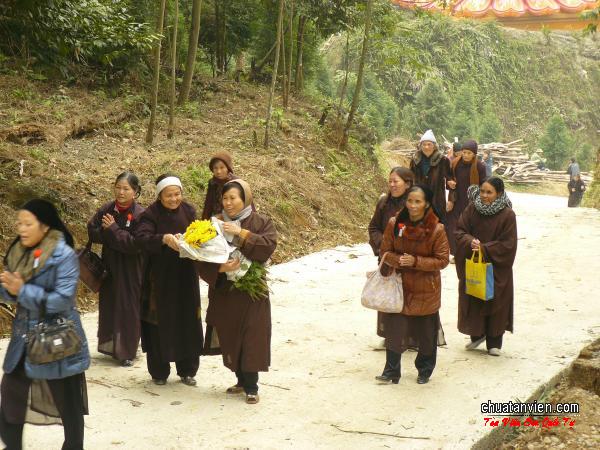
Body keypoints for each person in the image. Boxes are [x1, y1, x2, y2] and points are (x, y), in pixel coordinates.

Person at [0, 199, 90, 450]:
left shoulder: (64, 255)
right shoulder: (19, 252)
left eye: (28, 224)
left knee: (69, 405)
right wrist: (8, 288)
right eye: (19, 223)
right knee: (10, 397)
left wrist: (22, 290)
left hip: (57, 339)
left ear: (45, 226)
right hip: (24, 338)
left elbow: (62, 299)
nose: (22, 229)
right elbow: (12, 293)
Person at [196, 180, 277, 404]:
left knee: (252, 336)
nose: (228, 203)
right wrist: (219, 269)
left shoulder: (260, 222)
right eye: (225, 198)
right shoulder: (214, 224)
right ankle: (240, 380)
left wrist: (242, 233)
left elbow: (268, 246)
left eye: (233, 198)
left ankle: (252, 386)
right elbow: (200, 257)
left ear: (245, 199)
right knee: (231, 336)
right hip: (226, 293)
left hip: (252, 294)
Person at [376, 185, 449, 385]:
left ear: (426, 204)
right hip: (399, 286)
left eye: (418, 201)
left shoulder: (437, 229)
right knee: (395, 329)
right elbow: (384, 252)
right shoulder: (395, 223)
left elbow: (442, 260)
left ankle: (424, 370)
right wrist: (399, 260)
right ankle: (391, 371)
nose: (413, 206)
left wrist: (416, 261)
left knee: (426, 333)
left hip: (426, 288)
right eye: (410, 201)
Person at [135, 175, 203, 386]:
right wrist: (163, 239)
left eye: (177, 194)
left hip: (185, 276)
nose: (174, 199)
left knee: (187, 321)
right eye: (169, 195)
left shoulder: (188, 210)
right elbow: (141, 238)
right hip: (159, 279)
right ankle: (159, 372)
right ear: (159, 196)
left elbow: (199, 234)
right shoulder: (150, 215)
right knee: (158, 324)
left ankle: (188, 370)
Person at [87, 172, 145, 367]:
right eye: (118, 187)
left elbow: (135, 244)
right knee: (110, 305)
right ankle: (111, 346)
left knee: (128, 307)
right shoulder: (107, 209)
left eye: (126, 189)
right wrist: (106, 233)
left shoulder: (140, 214)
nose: (121, 192)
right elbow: (92, 231)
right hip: (110, 265)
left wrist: (112, 230)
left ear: (135, 192)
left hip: (131, 267)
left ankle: (127, 351)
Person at [455, 177, 517, 356]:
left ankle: (494, 342)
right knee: (474, 296)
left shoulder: (507, 215)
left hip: (497, 267)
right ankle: (476, 335)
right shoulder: (472, 208)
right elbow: (459, 230)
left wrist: (485, 248)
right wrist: (470, 241)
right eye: (482, 191)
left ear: (499, 193)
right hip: (475, 263)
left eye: (489, 192)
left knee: (496, 301)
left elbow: (508, 244)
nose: (484, 195)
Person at [368, 167, 414, 341]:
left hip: (408, 259)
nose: (392, 185)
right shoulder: (384, 202)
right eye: (390, 181)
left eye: (396, 181)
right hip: (387, 257)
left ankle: (411, 337)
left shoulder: (415, 203)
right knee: (388, 296)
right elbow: (374, 227)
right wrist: (384, 245)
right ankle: (390, 336)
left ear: (407, 184)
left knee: (408, 297)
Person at [446, 140, 487, 260]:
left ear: (474, 154)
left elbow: (484, 184)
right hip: (456, 200)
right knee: (453, 227)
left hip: (471, 202)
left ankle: (468, 254)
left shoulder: (479, 166)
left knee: (469, 229)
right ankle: (456, 253)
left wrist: (481, 201)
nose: (466, 155)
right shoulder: (455, 163)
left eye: (469, 153)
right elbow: (449, 179)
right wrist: (450, 185)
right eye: (464, 152)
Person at [409, 129, 455, 225]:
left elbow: (450, 179)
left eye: (429, 144)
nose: (426, 147)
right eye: (424, 144)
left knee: (436, 226)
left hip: (437, 199)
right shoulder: (415, 160)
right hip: (419, 198)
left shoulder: (442, 160)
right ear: (420, 145)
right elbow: (409, 178)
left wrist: (451, 199)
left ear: (434, 146)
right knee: (418, 225)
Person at [201, 150, 239, 220]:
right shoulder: (212, 183)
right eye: (215, 168)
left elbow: (243, 207)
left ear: (228, 168)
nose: (218, 171)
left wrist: (223, 216)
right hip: (216, 218)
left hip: (234, 219)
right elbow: (208, 204)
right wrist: (204, 221)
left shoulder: (236, 183)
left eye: (222, 168)